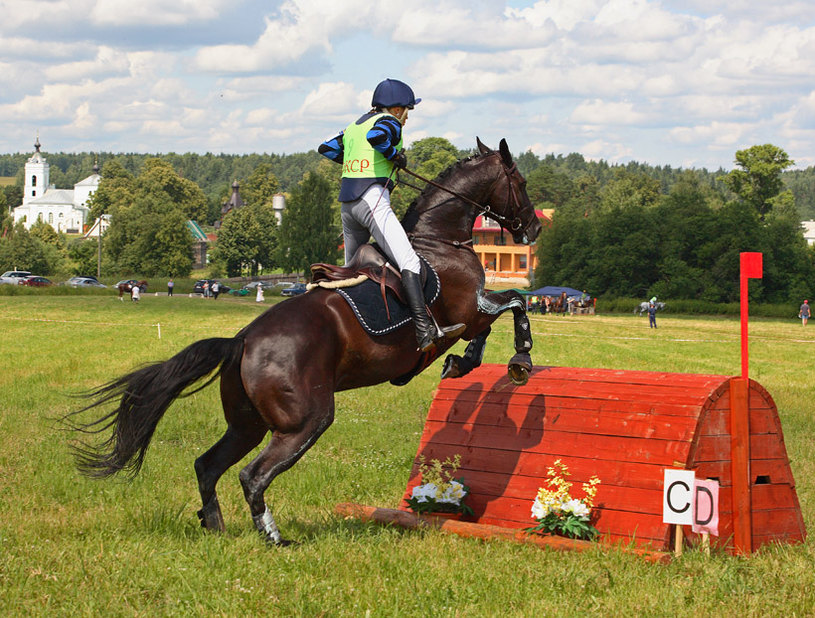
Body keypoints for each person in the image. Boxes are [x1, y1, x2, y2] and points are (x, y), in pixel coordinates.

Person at [318, 78, 464, 352]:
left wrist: (354, 160)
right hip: (371, 201)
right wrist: (394, 156)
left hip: (348, 207)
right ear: (396, 109)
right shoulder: (388, 122)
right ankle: (424, 330)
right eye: (407, 110)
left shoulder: (353, 126)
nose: (407, 118)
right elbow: (378, 138)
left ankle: (353, 332)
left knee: (353, 270)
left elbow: (326, 148)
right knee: (409, 261)